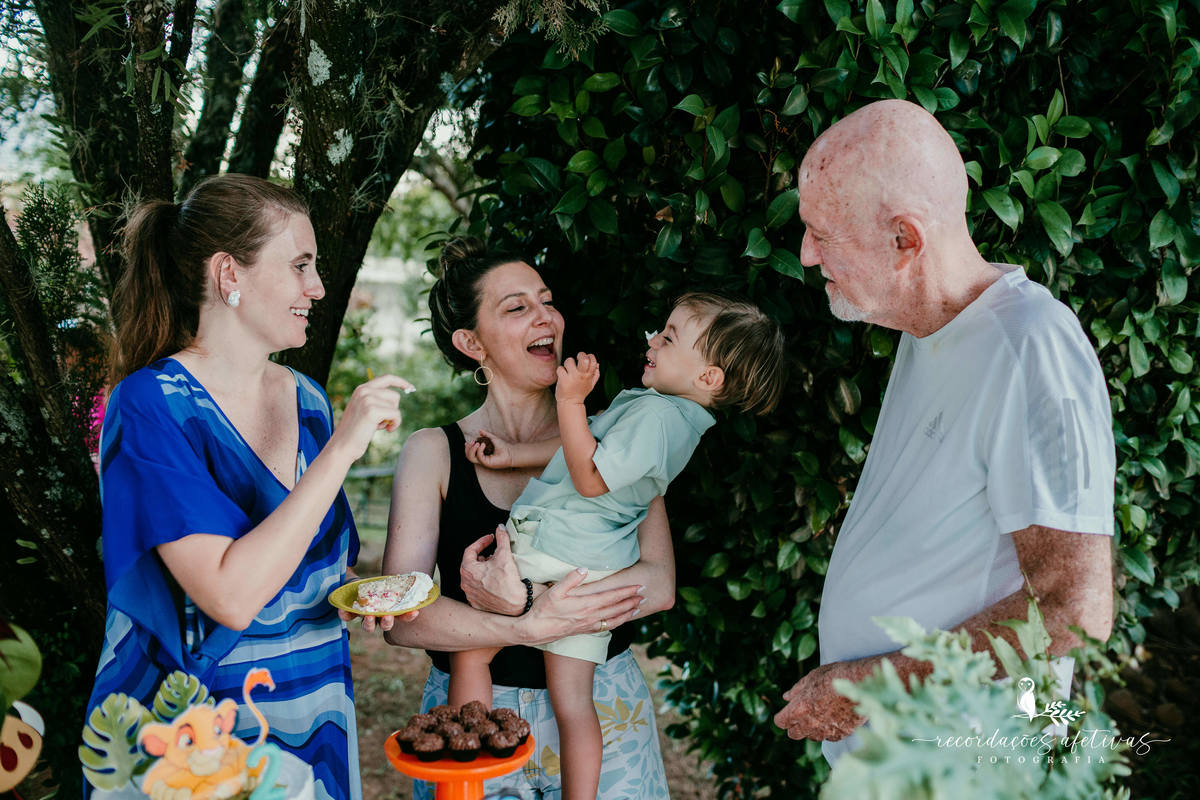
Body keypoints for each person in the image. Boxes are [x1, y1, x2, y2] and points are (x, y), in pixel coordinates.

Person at [771, 100, 1116, 762]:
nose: (808, 256)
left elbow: (1075, 612)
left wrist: (871, 688)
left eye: (824, 233)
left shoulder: (1030, 352)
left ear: (905, 240)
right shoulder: (929, 328)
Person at [88, 174, 413, 800]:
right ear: (228, 275)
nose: (317, 287)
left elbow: (309, 572)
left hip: (315, 715)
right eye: (300, 265)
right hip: (198, 743)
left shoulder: (310, 402)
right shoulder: (152, 407)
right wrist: (345, 450)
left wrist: (364, 596)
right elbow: (231, 597)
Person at [450, 292, 785, 799]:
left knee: (473, 654)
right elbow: (584, 446)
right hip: (592, 570)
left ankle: (466, 778)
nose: (653, 340)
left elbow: (589, 476)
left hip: (554, 549)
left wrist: (570, 399)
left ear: (709, 377)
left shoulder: (657, 419)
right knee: (575, 705)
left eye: (670, 338)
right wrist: (516, 454)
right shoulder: (667, 417)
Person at [379, 237, 672, 799]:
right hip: (470, 718)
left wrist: (527, 600)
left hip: (605, 705)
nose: (546, 316)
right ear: (471, 343)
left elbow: (658, 584)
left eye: (546, 300)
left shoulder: (613, 433)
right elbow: (402, 614)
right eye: (516, 307)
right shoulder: (433, 452)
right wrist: (522, 625)